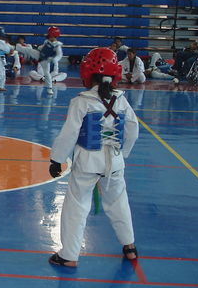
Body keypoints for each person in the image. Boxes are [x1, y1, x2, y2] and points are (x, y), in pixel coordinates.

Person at [48, 47, 139, 267]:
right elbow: (133, 129)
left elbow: (69, 133)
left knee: (76, 206)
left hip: (88, 163)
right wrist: (122, 153)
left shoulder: (82, 101)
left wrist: (57, 159)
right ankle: (129, 247)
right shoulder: (120, 99)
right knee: (118, 202)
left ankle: (69, 255)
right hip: (115, 162)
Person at [15, 26, 63, 96]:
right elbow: (42, 47)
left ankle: (49, 88)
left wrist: (55, 59)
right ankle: (15, 47)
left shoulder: (57, 46)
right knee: (29, 50)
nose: (49, 37)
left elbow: (59, 55)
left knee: (47, 73)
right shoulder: (47, 41)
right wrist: (39, 48)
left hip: (46, 60)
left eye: (51, 35)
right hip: (39, 54)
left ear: (55, 36)